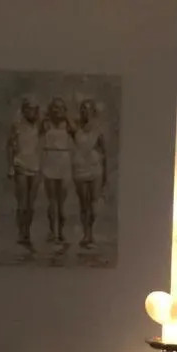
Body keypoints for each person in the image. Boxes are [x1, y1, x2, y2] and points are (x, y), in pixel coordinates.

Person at [6, 95, 41, 247]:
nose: (32, 112)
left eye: (34, 109)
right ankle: (21, 232)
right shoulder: (17, 125)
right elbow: (10, 146)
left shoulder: (39, 125)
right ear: (24, 110)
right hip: (20, 165)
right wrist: (10, 166)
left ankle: (27, 231)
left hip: (35, 167)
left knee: (31, 204)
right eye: (29, 109)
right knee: (22, 202)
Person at [71, 99, 107, 249]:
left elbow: (104, 152)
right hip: (80, 168)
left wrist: (105, 173)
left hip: (95, 168)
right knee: (84, 203)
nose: (85, 112)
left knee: (93, 203)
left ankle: (91, 232)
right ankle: (86, 234)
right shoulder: (75, 127)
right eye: (83, 109)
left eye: (88, 109)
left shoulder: (98, 130)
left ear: (93, 111)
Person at [40, 97, 73, 245]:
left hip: (64, 160)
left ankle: (61, 231)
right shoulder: (46, 123)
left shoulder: (68, 124)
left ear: (64, 109)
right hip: (50, 159)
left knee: (61, 202)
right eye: (54, 107)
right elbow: (37, 134)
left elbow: (75, 132)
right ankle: (53, 231)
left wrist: (66, 117)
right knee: (52, 200)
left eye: (60, 107)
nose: (57, 110)